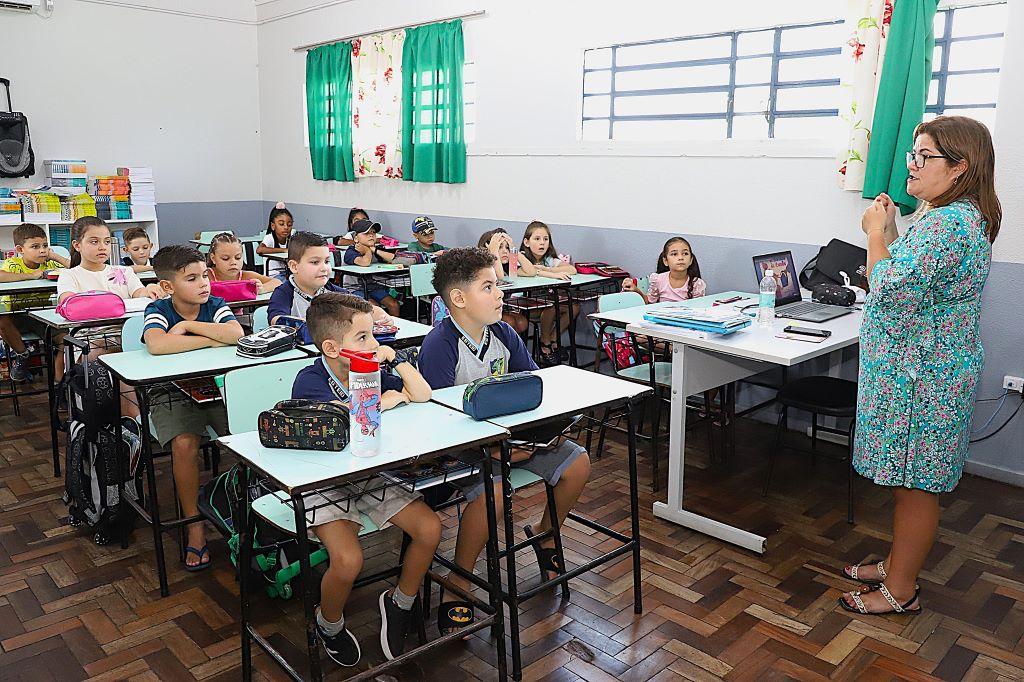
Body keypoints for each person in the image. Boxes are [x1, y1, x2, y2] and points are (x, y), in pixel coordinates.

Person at [841, 116, 1001, 616]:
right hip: (923, 374)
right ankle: (895, 563)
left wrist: (873, 234)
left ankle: (902, 590)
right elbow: (914, 284)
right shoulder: (944, 218)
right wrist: (891, 230)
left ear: (960, 168)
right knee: (909, 482)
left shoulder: (950, 224)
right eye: (913, 154)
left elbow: (888, 288)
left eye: (924, 157)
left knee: (917, 487)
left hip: (924, 380)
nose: (912, 166)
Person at [418, 247, 591, 631]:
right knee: (493, 494)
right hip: (462, 456)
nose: (501, 294)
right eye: (489, 287)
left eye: (498, 285)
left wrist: (537, 436)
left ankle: (546, 534)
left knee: (577, 462)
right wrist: (496, 449)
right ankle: (459, 580)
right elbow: (439, 424)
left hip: (509, 444)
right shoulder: (440, 345)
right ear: (459, 299)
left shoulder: (503, 333)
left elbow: (530, 387)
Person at [292, 292, 439, 664]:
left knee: (429, 529)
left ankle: (400, 602)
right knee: (348, 560)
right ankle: (328, 622)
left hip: (369, 473)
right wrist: (391, 399)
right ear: (331, 348)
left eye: (373, 335)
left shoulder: (372, 368)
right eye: (363, 338)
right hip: (322, 481)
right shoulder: (309, 381)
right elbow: (348, 416)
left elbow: (422, 394)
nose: (374, 345)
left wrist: (398, 360)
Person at [143, 245, 243, 570]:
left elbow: (236, 333)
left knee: (249, 431)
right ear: (169, 286)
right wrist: (211, 339)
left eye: (204, 275)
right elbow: (157, 344)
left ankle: (249, 507)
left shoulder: (214, 305)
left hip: (216, 389)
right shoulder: (158, 308)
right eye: (192, 278)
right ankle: (193, 523)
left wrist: (190, 328)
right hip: (170, 391)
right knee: (185, 443)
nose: (203, 284)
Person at [57, 217, 163, 423]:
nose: (102, 247)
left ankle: (137, 422)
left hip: (129, 338)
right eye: (94, 241)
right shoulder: (70, 275)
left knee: (139, 356)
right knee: (117, 362)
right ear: (77, 245)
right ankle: (129, 422)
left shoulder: (123, 271)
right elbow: (67, 301)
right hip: (91, 340)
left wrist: (149, 290)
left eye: (107, 241)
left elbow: (139, 293)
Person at [267, 231, 387, 339]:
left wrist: (383, 317)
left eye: (327, 261)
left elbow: (366, 308)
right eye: (315, 262)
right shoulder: (284, 293)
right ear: (294, 266)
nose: (324, 268)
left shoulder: (334, 292)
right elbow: (276, 320)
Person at [0, 223, 70, 382]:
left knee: (67, 342)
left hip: (45, 316)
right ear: (20, 250)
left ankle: (59, 386)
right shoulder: (13, 264)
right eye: (35, 246)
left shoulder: (50, 263)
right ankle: (22, 354)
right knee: (1, 319)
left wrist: (56, 256)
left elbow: (78, 270)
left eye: (45, 245)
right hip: (18, 316)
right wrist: (32, 276)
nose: (42, 250)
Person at [520, 220, 579, 365]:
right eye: (537, 239)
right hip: (524, 305)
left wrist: (548, 269)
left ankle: (553, 338)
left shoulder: (549, 260)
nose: (542, 243)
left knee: (574, 307)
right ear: (527, 242)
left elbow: (572, 270)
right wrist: (547, 273)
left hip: (546, 302)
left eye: (545, 239)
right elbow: (529, 272)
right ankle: (544, 344)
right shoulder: (521, 258)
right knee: (551, 306)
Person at [477, 228, 536, 335]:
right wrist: (493, 252)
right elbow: (499, 276)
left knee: (522, 323)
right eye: (500, 247)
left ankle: (510, 349)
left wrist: (514, 250)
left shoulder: (509, 267)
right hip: (483, 310)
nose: (505, 251)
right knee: (509, 322)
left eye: (507, 247)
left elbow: (531, 271)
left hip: (501, 308)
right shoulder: (484, 267)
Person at [343, 219, 401, 317]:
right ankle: (375, 331)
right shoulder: (350, 252)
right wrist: (367, 251)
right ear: (356, 238)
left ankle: (394, 328)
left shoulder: (375, 249)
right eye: (366, 233)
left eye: (373, 233)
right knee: (374, 307)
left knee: (394, 305)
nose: (371, 235)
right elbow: (365, 262)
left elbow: (394, 259)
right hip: (354, 288)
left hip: (374, 287)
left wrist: (374, 250)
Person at [623, 236, 707, 303]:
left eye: (685, 253)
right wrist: (636, 290)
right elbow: (649, 301)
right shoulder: (658, 280)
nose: (681, 258)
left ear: (691, 260)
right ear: (666, 261)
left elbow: (698, 310)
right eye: (674, 254)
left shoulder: (696, 284)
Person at [206, 232, 282, 293]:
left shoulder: (245, 276)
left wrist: (262, 289)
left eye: (238, 257)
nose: (233, 262)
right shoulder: (206, 276)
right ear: (213, 258)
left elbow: (277, 282)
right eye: (225, 258)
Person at [256, 202, 292, 278]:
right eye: (281, 224)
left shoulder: (291, 239)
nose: (286, 227)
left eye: (289, 225)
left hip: (287, 273)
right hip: (273, 275)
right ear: (273, 226)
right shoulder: (270, 238)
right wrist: (283, 250)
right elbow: (260, 250)